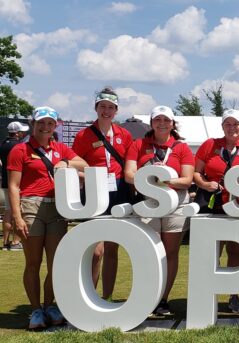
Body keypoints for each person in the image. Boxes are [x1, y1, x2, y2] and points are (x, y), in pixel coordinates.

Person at [7, 107, 87, 329]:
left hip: (57, 209)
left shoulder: (60, 148)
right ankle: (35, 310)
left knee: (55, 263)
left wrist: (67, 163)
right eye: (41, 123)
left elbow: (85, 165)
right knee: (33, 262)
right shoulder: (20, 149)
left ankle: (50, 305)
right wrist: (17, 216)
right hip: (30, 206)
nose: (45, 127)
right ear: (33, 124)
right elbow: (13, 186)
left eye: (50, 123)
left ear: (56, 126)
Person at [125, 105, 194, 316]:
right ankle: (149, 296)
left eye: (166, 120)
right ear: (152, 122)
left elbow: (187, 180)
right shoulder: (139, 144)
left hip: (175, 205)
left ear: (173, 124)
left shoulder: (182, 148)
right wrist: (148, 182)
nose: (162, 123)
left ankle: (163, 299)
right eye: (158, 119)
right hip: (149, 203)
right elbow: (129, 174)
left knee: (170, 253)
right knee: (150, 252)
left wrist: (164, 180)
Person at [194, 109, 239, 313]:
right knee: (211, 250)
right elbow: (197, 173)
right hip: (213, 204)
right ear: (222, 126)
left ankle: (233, 294)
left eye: (236, 124)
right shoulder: (210, 144)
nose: (232, 128)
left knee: (236, 250)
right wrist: (206, 185)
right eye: (228, 124)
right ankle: (207, 292)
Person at [72, 87, 132, 300]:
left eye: (111, 107)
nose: (106, 111)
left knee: (112, 248)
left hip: (117, 191)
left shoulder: (124, 134)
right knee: (95, 251)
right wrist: (84, 178)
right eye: (102, 106)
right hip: (95, 192)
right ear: (96, 108)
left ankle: (106, 298)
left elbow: (129, 164)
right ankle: (90, 296)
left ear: (116, 111)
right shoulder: (84, 135)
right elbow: (75, 162)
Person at [0, 121, 29, 250]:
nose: (24, 133)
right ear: (17, 133)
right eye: (22, 131)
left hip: (5, 182)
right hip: (17, 182)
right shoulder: (20, 146)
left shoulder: (2, 144)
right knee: (19, 211)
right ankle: (16, 242)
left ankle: (5, 242)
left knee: (8, 210)